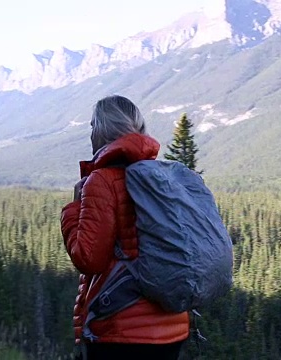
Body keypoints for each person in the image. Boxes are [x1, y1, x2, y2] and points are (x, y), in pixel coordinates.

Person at [60, 95, 190, 360]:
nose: (91, 133)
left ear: (101, 129)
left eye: (92, 126)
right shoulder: (161, 175)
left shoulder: (103, 180)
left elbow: (88, 258)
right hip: (173, 327)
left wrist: (73, 210)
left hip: (123, 330)